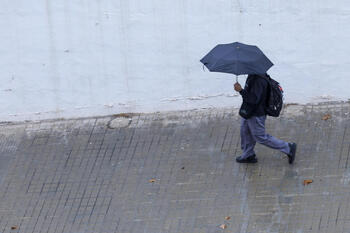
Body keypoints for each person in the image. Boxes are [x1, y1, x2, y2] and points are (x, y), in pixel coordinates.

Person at [233, 74, 297, 164]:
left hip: (256, 113)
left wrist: (241, 91)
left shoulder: (258, 80)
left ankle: (288, 147)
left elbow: (254, 100)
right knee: (245, 131)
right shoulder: (253, 74)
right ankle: (248, 155)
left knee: (260, 137)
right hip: (248, 110)